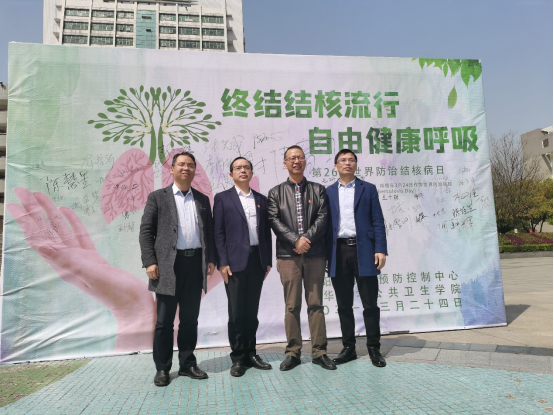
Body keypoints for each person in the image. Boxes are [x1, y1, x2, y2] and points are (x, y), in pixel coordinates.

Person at [139, 152, 216, 387]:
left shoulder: (202, 199)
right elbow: (146, 231)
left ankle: (187, 364)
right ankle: (162, 368)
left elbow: (209, 232)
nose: (186, 168)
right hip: (167, 267)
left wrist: (210, 259)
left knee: (190, 319)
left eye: (190, 165)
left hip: (195, 264)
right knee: (164, 321)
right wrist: (150, 261)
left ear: (195, 170)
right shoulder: (157, 197)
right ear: (171, 169)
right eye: (181, 164)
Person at [267, 145, 336, 372]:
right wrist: (295, 240)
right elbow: (275, 221)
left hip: (315, 254)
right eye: (292, 158)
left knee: (316, 304)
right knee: (292, 306)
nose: (296, 161)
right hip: (288, 256)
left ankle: (319, 352)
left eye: (300, 157)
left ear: (305, 161)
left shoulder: (318, 190)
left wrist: (306, 239)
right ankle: (293, 353)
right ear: (285, 163)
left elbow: (323, 217)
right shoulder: (275, 193)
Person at [326, 149, 388, 368]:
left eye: (351, 160)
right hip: (338, 251)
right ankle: (349, 348)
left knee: (370, 303)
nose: (347, 163)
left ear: (356, 165)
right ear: (336, 166)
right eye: (342, 160)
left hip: (365, 250)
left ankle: (374, 348)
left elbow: (378, 220)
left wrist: (380, 249)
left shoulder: (368, 189)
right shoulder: (327, 192)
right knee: (344, 304)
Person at [213, 157, 273, 377]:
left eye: (247, 167)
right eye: (238, 168)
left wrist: (267, 261)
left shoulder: (261, 199)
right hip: (234, 264)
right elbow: (218, 233)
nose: (243, 171)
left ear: (252, 173)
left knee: (252, 312)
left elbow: (266, 232)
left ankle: (251, 353)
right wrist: (223, 262)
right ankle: (238, 357)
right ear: (231, 174)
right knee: (237, 313)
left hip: (257, 261)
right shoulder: (222, 198)